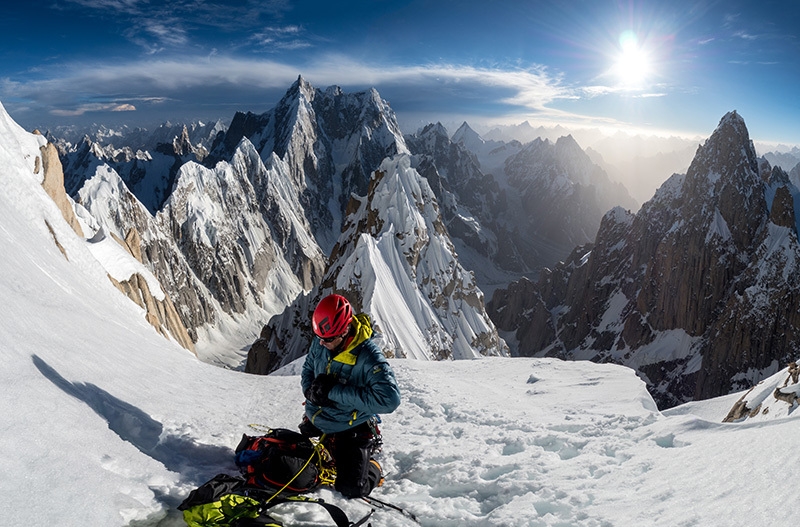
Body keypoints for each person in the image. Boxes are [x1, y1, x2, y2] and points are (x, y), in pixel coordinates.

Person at [299, 294, 401, 499]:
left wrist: (333, 392)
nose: (321, 343)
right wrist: (309, 390)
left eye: (328, 339)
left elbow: (390, 399)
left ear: (345, 330)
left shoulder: (368, 356)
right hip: (320, 415)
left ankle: (373, 466)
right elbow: (308, 367)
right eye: (319, 337)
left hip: (351, 424)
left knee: (352, 488)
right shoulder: (322, 339)